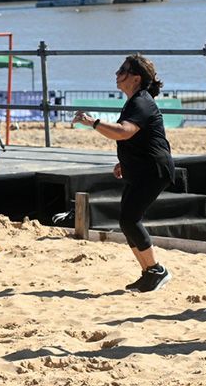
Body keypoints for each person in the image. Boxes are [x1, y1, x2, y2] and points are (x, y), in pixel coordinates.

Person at [72, 55, 176, 293]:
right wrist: (124, 162)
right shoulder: (135, 101)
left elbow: (124, 132)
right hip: (142, 168)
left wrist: (93, 122)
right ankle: (148, 272)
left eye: (123, 71)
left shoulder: (142, 102)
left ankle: (157, 270)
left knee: (130, 219)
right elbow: (137, 139)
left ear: (136, 78)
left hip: (154, 170)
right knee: (127, 220)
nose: (117, 74)